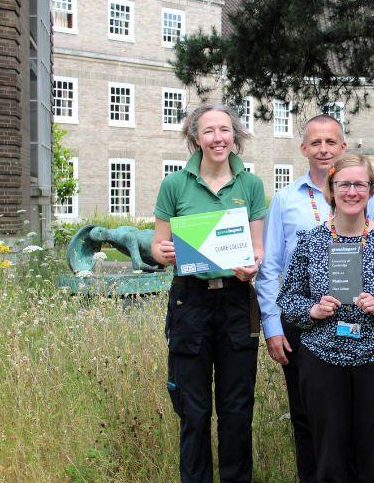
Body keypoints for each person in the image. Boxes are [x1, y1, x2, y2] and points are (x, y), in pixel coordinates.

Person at [255, 114, 374, 483]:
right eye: (316, 142)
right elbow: (270, 268)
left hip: (361, 324)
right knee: (308, 418)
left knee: (356, 418)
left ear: (343, 147)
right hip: (305, 322)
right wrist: (272, 326)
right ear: (303, 149)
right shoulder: (285, 199)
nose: (324, 149)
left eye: (331, 142)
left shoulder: (365, 192)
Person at [277, 154, 374, 483]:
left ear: (371, 190)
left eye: (360, 184)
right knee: (329, 462)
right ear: (331, 189)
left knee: (372, 463)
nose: (352, 191)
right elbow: (288, 299)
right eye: (344, 184)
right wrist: (312, 311)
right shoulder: (310, 241)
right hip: (323, 360)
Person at [150, 104, 267, 483]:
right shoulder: (175, 185)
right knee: (194, 411)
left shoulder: (250, 184)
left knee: (236, 410)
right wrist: (164, 253)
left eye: (225, 130)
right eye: (209, 131)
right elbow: (158, 245)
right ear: (195, 138)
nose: (218, 138)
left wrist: (254, 265)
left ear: (235, 135)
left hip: (236, 301)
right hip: (191, 301)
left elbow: (258, 248)